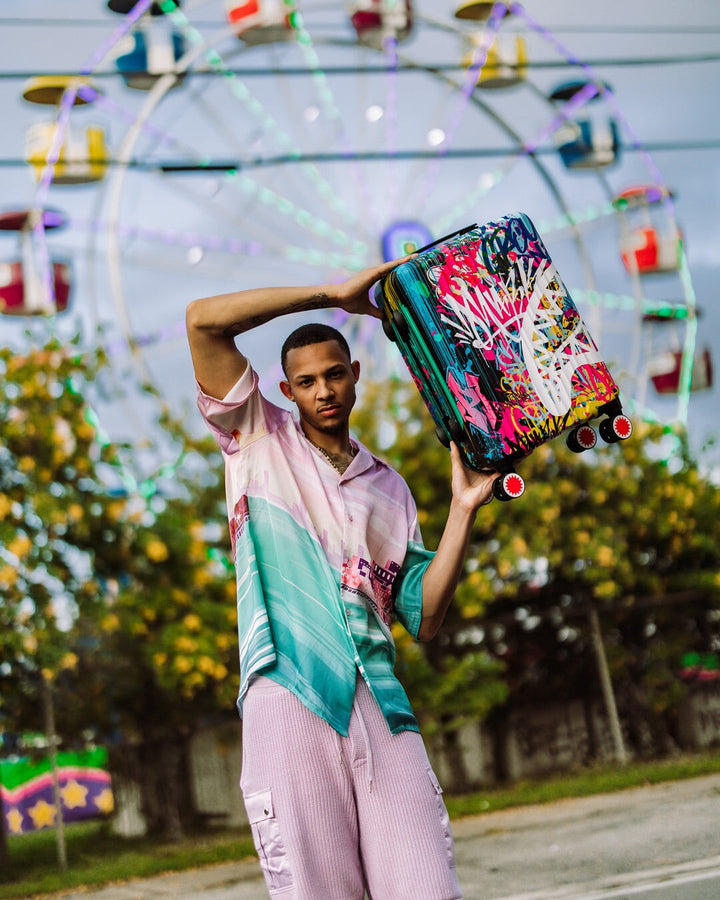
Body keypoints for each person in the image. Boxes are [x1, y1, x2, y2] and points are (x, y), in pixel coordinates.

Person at [185, 258, 498, 900]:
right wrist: (330, 294)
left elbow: (424, 615)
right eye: (306, 382)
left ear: (355, 374)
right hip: (289, 692)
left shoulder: (390, 488)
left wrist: (462, 510)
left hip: (380, 702)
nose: (323, 391)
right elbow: (202, 322)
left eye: (334, 375)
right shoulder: (256, 438)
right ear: (287, 388)